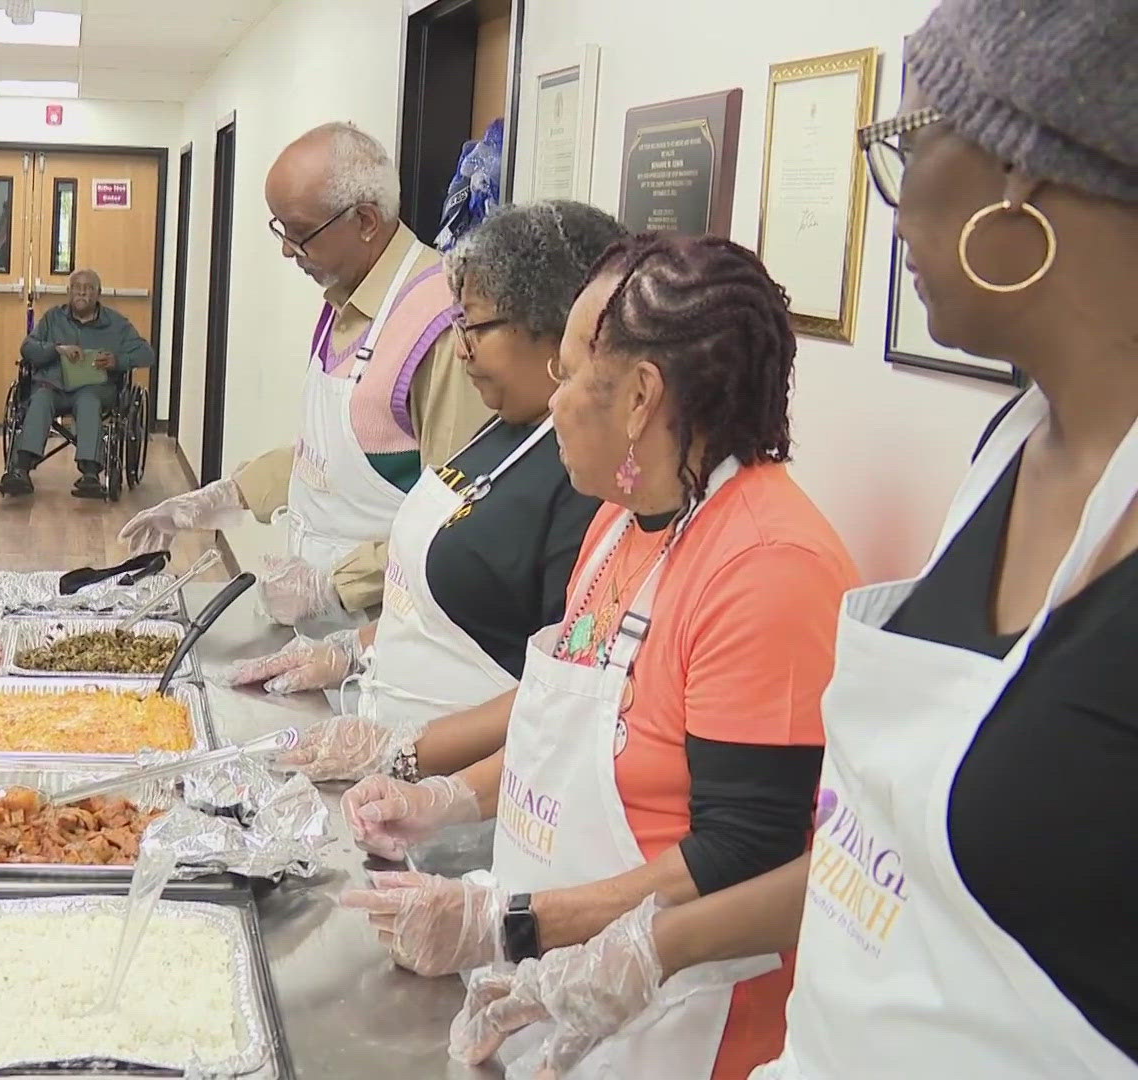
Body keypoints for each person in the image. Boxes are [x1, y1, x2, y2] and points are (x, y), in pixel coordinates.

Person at [446, 2, 1138, 1076]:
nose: (898, 213)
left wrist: (552, 925)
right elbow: (874, 859)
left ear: (1026, 177)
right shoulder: (1011, 452)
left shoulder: (770, 557)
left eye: (911, 143)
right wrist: (599, 942)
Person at [339, 232, 861, 1080]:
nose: (554, 406)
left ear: (641, 397)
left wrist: (506, 923)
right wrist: (442, 798)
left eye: (571, 373)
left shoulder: (767, 566)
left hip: (678, 1025)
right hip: (558, 987)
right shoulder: (619, 522)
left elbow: (747, 855)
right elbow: (565, 735)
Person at [226, 201, 620, 780]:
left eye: (476, 328)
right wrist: (347, 651)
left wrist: (408, 753)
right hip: (393, 760)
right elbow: (442, 610)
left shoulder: (586, 480)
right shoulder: (502, 424)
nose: (460, 350)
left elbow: (563, 689)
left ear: (554, 328)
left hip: (471, 793)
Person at [119, 122, 491, 634]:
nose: (287, 250)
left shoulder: (441, 325)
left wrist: (335, 588)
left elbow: (455, 522)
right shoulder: (347, 299)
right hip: (321, 622)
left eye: (298, 233)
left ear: (364, 220)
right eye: (279, 230)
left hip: (393, 632)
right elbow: (334, 456)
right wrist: (228, 495)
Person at [0, 268, 154, 498]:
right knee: (39, 399)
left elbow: (146, 353)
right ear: (69, 292)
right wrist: (56, 349)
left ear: (98, 293)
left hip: (95, 388)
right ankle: (20, 470)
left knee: (89, 401)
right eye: (77, 288)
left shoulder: (117, 324)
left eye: (89, 289)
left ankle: (90, 474)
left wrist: (117, 360)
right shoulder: (53, 318)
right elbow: (28, 348)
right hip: (53, 386)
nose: (82, 293)